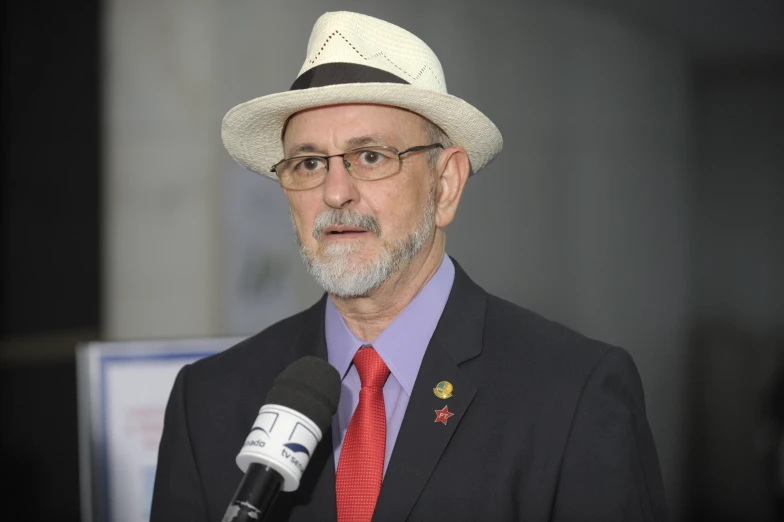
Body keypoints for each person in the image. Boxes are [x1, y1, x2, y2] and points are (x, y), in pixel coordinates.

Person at [150, 11, 668, 522]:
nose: (334, 192)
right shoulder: (211, 400)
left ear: (444, 185)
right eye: (309, 163)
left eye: (371, 156)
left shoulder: (574, 394)